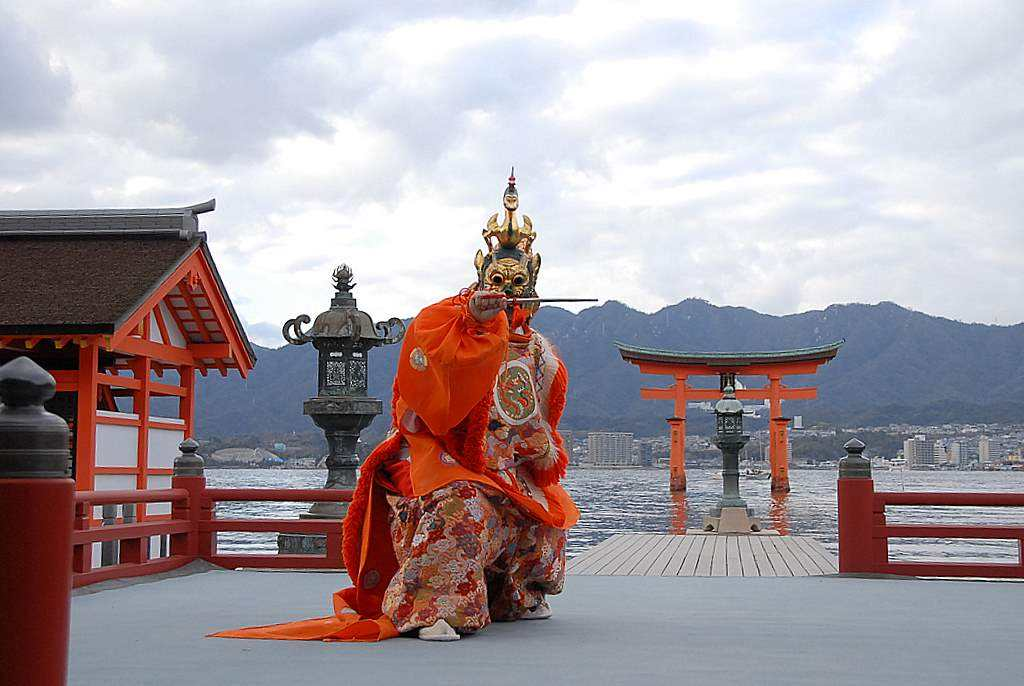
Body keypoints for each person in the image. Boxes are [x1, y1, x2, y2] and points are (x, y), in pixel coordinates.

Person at [213, 171, 578, 643]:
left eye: (517, 281)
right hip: (446, 455)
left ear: (534, 280)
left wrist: (534, 447)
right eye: (497, 280)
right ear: (480, 275)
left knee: (544, 512)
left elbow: (539, 426)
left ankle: (519, 593)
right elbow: (425, 372)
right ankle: (430, 607)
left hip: (507, 468)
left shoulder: (541, 354)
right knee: (460, 507)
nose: (507, 291)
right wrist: (475, 321)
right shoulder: (451, 322)